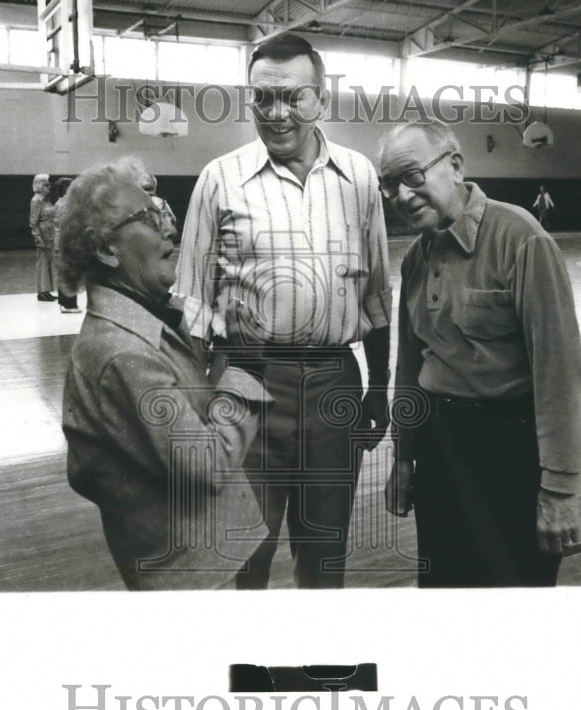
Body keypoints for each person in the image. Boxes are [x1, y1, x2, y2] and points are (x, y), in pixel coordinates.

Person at [173, 33, 392, 589]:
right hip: (244, 382)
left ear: (321, 99)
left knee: (325, 555)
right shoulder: (218, 179)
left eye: (293, 97)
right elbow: (193, 306)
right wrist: (198, 407)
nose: (277, 113)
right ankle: (251, 672)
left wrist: (378, 390)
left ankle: (320, 672)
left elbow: (376, 296)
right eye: (262, 99)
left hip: (334, 383)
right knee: (246, 557)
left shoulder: (361, 177)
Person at [380, 119, 581, 588]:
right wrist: (405, 455)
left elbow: (561, 375)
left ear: (454, 166)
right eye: (389, 185)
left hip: (511, 449)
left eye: (412, 176)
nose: (401, 195)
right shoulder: (416, 257)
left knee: (515, 593)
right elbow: (410, 368)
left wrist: (559, 489)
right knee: (444, 587)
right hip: (441, 445)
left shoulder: (521, 238)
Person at [59, 159, 271, 590]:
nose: (170, 230)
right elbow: (207, 466)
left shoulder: (141, 323)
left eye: (164, 213)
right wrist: (247, 367)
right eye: (149, 218)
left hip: (192, 559)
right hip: (185, 573)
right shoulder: (121, 352)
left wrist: (225, 347)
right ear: (106, 250)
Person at [52, 177, 81, 313]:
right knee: (68, 273)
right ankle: (68, 304)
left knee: (66, 273)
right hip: (65, 242)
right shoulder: (64, 204)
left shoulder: (62, 203)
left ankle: (66, 303)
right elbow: (66, 225)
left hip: (64, 241)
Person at [30, 173, 56, 301]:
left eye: (49, 184)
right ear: (39, 186)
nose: (49, 187)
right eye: (46, 185)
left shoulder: (46, 200)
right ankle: (41, 291)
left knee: (48, 264)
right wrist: (38, 239)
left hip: (50, 236)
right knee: (42, 264)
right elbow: (33, 222)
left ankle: (47, 290)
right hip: (43, 237)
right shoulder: (36, 201)